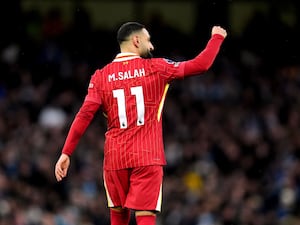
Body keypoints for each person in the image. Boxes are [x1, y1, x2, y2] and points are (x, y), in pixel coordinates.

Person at [55, 21, 227, 225]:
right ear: (136, 40)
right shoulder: (156, 67)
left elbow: (84, 115)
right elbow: (200, 65)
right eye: (149, 40)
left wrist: (66, 152)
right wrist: (217, 38)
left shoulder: (100, 77)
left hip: (115, 159)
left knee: (118, 218)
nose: (152, 46)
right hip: (147, 156)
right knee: (145, 217)